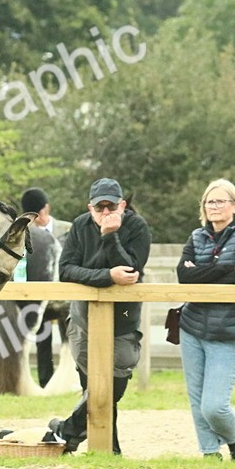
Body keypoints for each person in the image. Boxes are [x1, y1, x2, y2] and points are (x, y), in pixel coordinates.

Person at [47, 178, 152, 454]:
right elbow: (66, 270)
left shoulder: (137, 227)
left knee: (112, 386)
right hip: (84, 317)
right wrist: (106, 276)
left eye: (111, 206)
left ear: (123, 205)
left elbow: (130, 271)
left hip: (123, 319)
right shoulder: (80, 225)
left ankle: (67, 430)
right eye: (99, 207)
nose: (106, 212)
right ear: (90, 208)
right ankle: (108, 450)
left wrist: (110, 236)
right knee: (90, 385)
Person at [176, 179, 235, 461]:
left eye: (220, 201)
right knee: (197, 401)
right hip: (192, 325)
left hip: (228, 328)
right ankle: (210, 453)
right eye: (209, 202)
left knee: (214, 406)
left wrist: (203, 270)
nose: (213, 206)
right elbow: (183, 276)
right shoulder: (197, 236)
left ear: (234, 206)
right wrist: (226, 269)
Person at [20, 187, 72, 386]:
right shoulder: (24, 235)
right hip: (37, 293)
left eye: (40, 213)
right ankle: (45, 380)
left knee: (69, 335)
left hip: (64, 292)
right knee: (42, 338)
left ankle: (69, 378)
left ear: (47, 208)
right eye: (33, 216)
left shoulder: (67, 229)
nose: (39, 219)